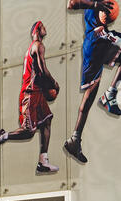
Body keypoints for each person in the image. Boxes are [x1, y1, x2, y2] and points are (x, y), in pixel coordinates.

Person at [0, 21, 60, 174]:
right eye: (43, 26)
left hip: (37, 92)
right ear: (37, 30)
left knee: (47, 121)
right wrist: (54, 84)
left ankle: (43, 161)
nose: (45, 28)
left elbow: (39, 73)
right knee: (28, 131)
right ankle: (2, 137)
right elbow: (42, 71)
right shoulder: (37, 45)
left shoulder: (33, 47)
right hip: (30, 93)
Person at [65, 0, 121, 163]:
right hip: (96, 40)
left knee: (90, 96)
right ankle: (109, 96)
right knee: (89, 95)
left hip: (101, 38)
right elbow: (71, 3)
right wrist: (96, 5)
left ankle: (75, 139)